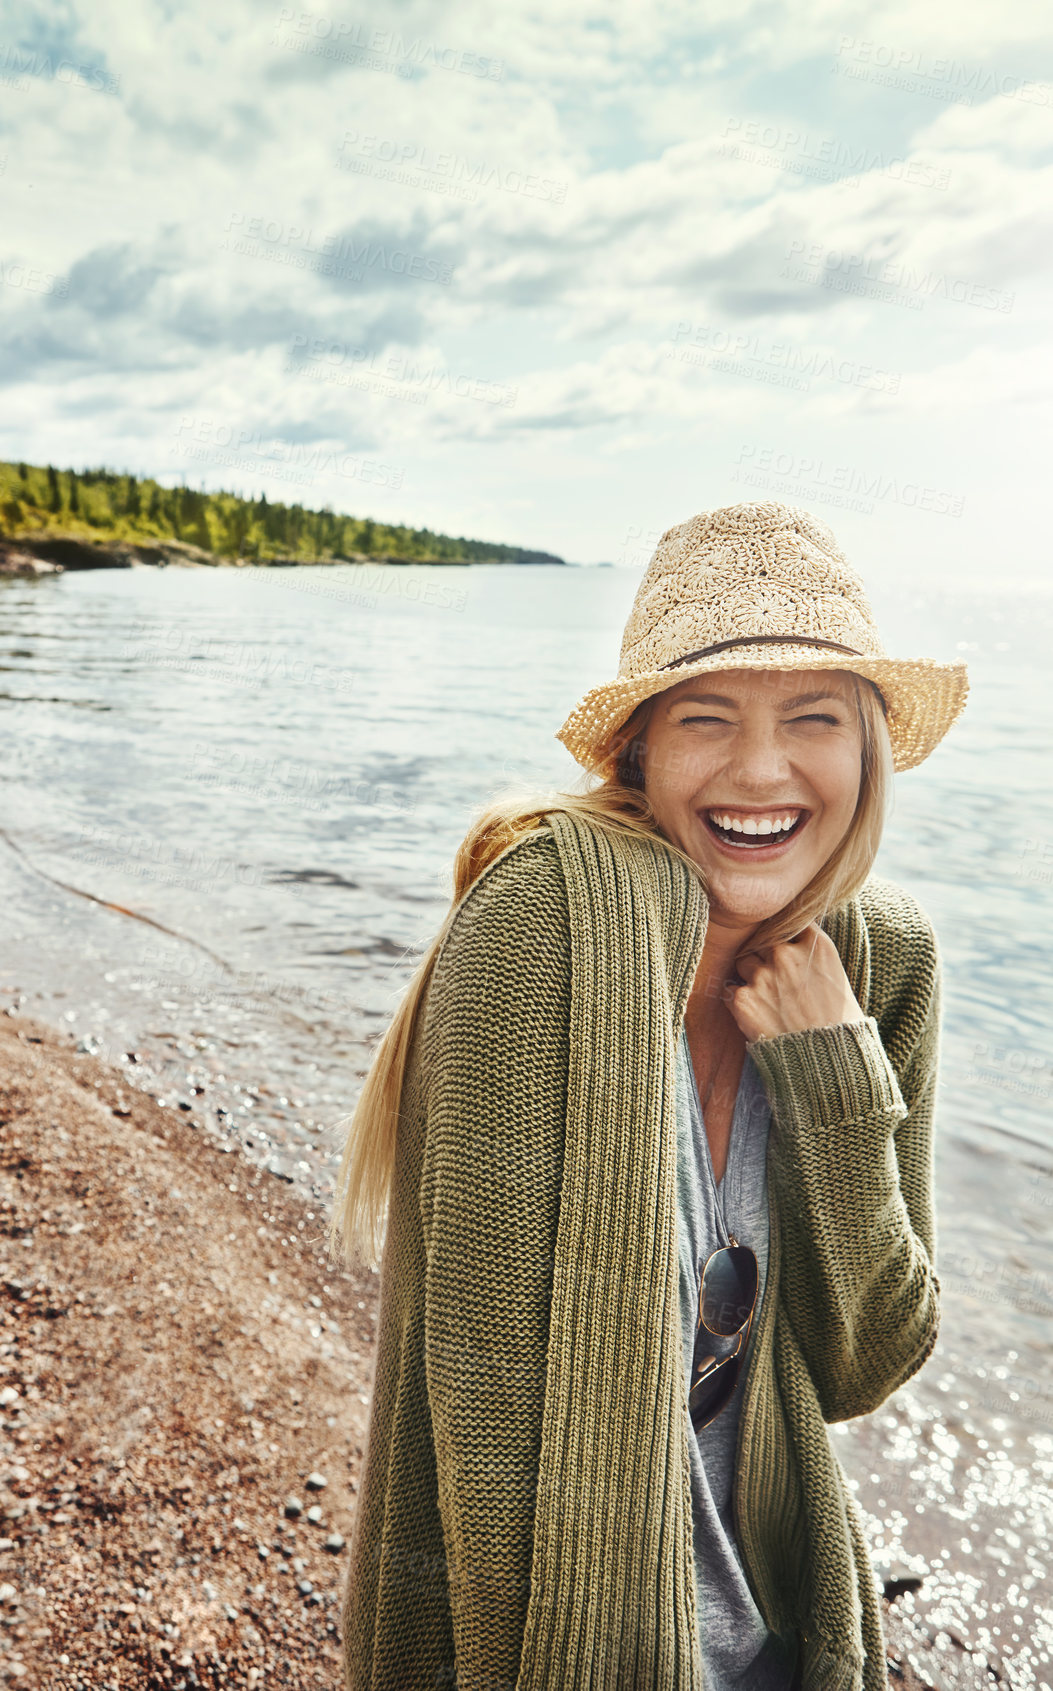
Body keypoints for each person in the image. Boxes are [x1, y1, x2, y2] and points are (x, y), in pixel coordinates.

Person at [328, 500, 970, 1691]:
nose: (761, 769)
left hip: (784, 1628)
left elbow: (863, 1363)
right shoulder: (545, 923)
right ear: (637, 752)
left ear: (865, 750)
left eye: (813, 719)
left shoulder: (883, 960)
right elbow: (483, 1409)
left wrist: (831, 1076)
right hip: (542, 1641)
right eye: (706, 718)